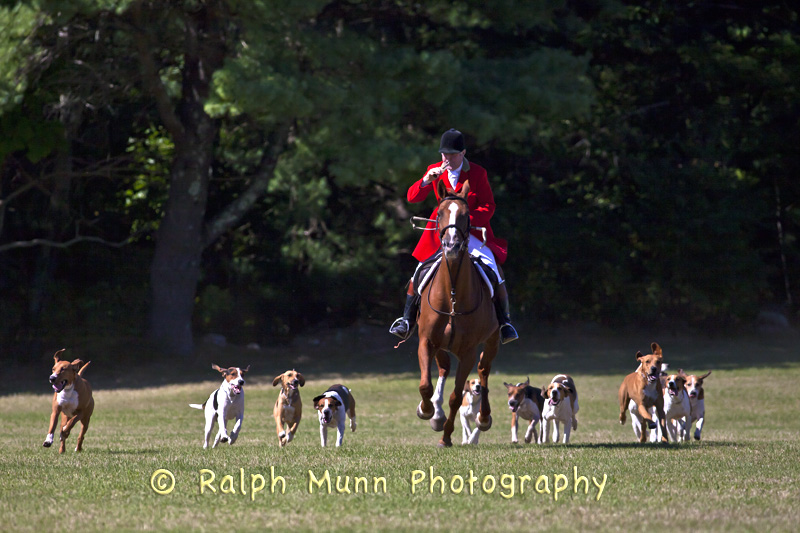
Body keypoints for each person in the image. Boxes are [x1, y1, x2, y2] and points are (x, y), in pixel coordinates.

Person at [389, 128, 519, 344]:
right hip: (440, 235)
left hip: (471, 232)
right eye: (443, 154)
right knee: (418, 273)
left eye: (451, 154)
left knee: (493, 269)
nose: (446, 159)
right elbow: (412, 198)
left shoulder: (477, 173)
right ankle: (406, 321)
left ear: (463, 153)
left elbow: (489, 206)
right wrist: (425, 180)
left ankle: (505, 322)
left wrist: (465, 221)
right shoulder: (434, 170)